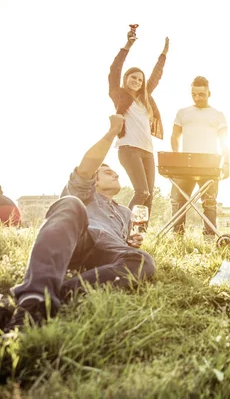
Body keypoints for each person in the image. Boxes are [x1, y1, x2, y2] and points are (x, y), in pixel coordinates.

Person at [1, 115, 156, 334]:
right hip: (78, 241)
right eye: (107, 172)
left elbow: (123, 247)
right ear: (94, 180)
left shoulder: (124, 212)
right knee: (69, 204)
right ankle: (33, 301)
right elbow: (86, 168)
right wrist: (113, 132)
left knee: (143, 260)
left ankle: (47, 296)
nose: (115, 173)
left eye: (115, 172)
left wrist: (131, 243)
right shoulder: (84, 194)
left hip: (106, 252)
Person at [108, 27, 169, 223]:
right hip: (129, 149)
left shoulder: (145, 99)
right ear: (126, 79)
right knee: (141, 191)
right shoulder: (119, 95)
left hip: (147, 151)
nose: (136, 81)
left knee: (149, 194)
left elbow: (156, 75)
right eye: (133, 77)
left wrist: (164, 54)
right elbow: (114, 69)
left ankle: (139, 233)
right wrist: (128, 45)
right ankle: (122, 226)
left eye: (140, 79)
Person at [170, 76, 229, 238]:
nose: (197, 98)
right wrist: (175, 157)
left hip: (210, 164)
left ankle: (209, 237)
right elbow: (175, 136)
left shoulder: (218, 115)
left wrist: (226, 164)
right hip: (185, 164)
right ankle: (177, 236)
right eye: (194, 94)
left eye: (201, 94)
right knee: (178, 201)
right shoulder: (182, 113)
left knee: (209, 202)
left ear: (209, 93)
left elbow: (225, 141)